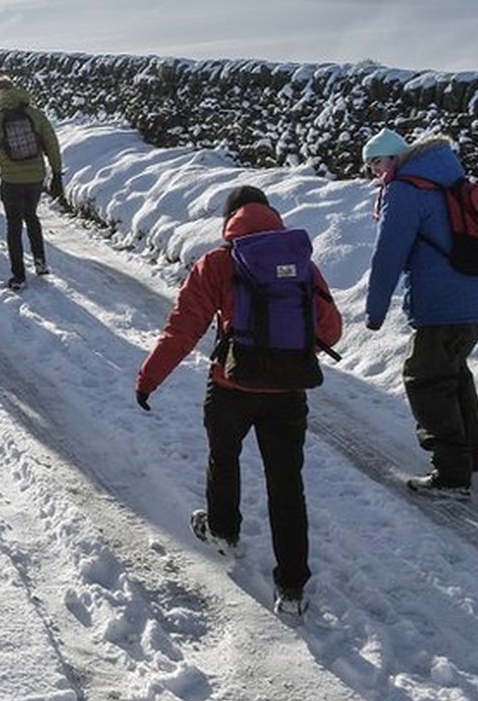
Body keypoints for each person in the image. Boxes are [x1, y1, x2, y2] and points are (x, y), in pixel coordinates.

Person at [135, 186, 343, 617]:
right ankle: (291, 588)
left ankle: (223, 532)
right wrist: (287, 356)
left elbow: (182, 329)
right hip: (288, 394)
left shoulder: (218, 263)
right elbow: (331, 327)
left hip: (231, 387)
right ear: (271, 214)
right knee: (287, 484)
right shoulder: (301, 262)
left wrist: (148, 379)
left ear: (230, 221)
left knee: (223, 457)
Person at [363, 129, 478, 497]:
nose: (376, 174)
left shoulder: (406, 190)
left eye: (376, 163)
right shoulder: (457, 182)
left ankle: (451, 474)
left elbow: (389, 254)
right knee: (454, 375)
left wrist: (375, 310)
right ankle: (472, 457)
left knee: (426, 381)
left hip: (439, 304)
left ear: (394, 158)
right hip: (474, 303)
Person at [0, 76, 62, 288]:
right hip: (35, 179)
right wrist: (57, 174)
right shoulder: (36, 115)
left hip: (11, 180)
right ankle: (40, 262)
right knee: (31, 216)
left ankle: (19, 276)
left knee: (13, 225)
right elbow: (52, 144)